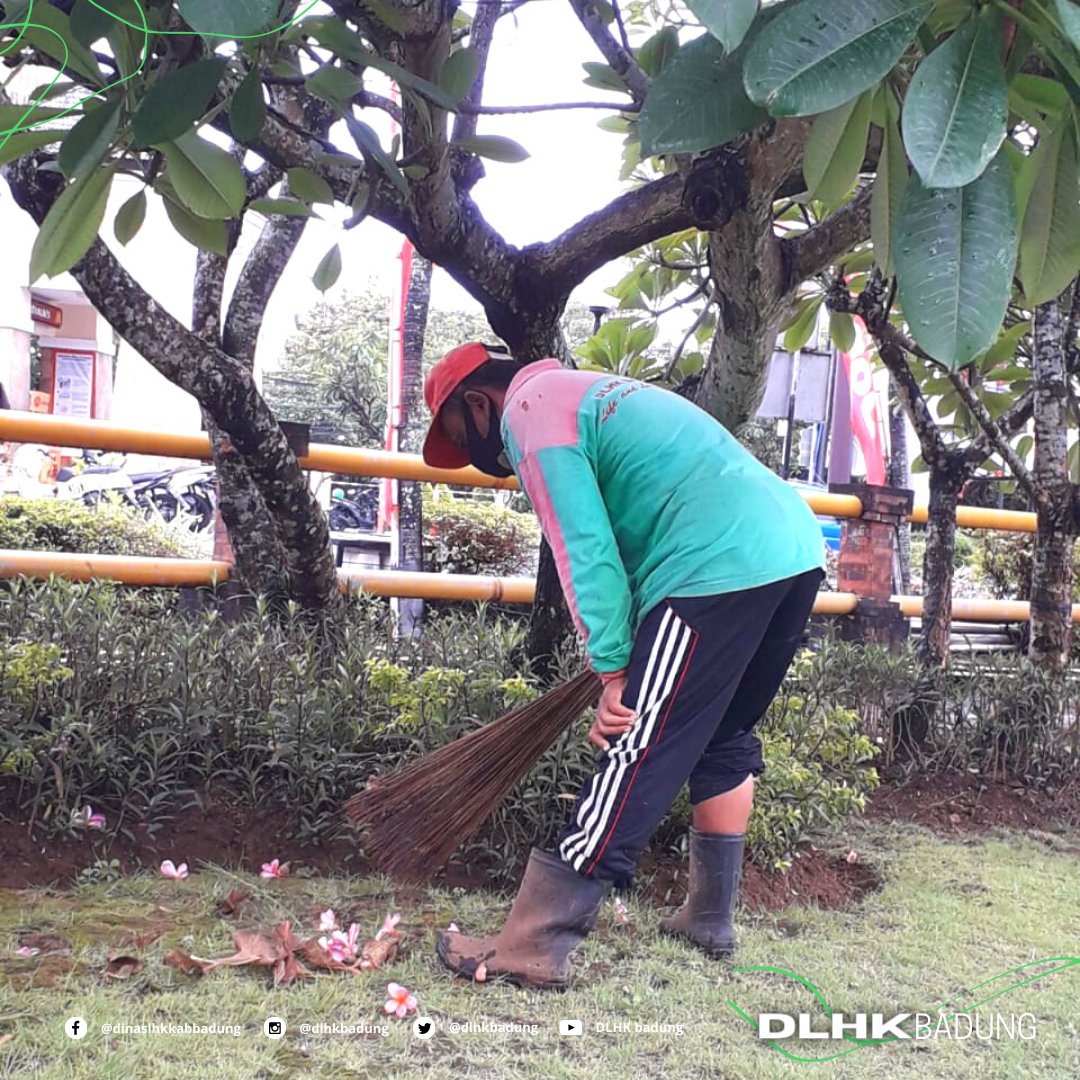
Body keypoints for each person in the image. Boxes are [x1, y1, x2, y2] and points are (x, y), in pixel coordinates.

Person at [422, 343, 826, 990]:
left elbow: (584, 548)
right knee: (722, 737)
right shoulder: (587, 392)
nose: (470, 450)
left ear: (477, 403)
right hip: (792, 550)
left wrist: (613, 670)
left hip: (713, 565)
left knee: (635, 739)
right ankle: (708, 919)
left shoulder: (530, 413)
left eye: (455, 434)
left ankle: (531, 946)